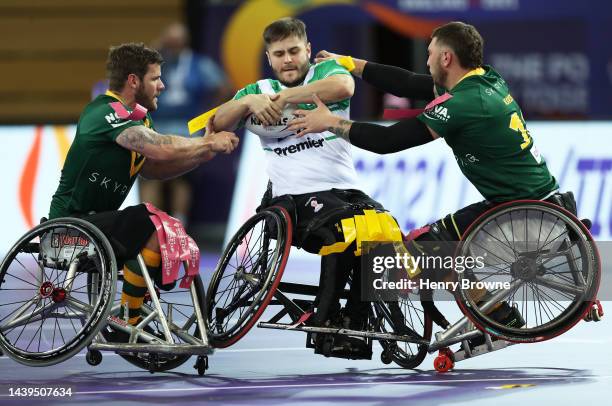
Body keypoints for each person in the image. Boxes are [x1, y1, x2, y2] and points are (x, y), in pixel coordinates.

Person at [289, 21, 581, 340]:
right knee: (432, 246)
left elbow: (388, 142)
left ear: (446, 59)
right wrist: (350, 64)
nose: (426, 61)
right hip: (534, 204)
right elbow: (410, 84)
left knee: (424, 250)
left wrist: (330, 122)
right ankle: (495, 311)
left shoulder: (464, 105)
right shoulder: (485, 79)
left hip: (527, 218)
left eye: (430, 54)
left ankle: (498, 314)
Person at [213, 17, 403, 357]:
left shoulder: (326, 73)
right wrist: (246, 103)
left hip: (346, 192)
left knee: (385, 230)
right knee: (346, 232)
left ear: (308, 50)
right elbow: (215, 122)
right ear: (269, 58)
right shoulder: (256, 93)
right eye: (280, 54)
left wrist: (284, 99)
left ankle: (357, 322)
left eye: (294, 51)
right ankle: (327, 323)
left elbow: (344, 88)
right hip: (293, 199)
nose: (288, 59)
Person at [48, 42, 239, 330]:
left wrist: (203, 153)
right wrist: (207, 141)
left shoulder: (139, 119)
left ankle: (131, 313)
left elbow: (155, 169)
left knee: (155, 223)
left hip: (97, 227)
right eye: (155, 78)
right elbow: (160, 147)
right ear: (133, 81)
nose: (162, 85)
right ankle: (129, 317)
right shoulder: (104, 112)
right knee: (149, 221)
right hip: (70, 227)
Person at [141, 22, 234, 226]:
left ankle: (178, 224)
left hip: (186, 127)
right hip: (154, 126)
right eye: (169, 43)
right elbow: (134, 75)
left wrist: (210, 114)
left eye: (177, 43)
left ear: (185, 43)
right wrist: (154, 48)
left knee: (182, 177)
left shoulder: (199, 63)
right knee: (147, 173)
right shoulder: (154, 64)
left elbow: (224, 87)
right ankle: (147, 224)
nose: (173, 47)